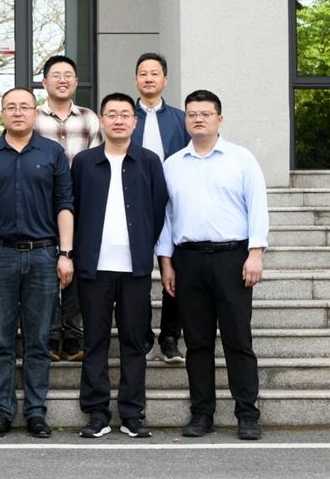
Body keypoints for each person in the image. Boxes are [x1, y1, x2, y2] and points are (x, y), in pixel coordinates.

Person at [157, 90, 268, 441]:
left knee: (238, 340)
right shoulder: (173, 164)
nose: (198, 119)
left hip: (232, 259)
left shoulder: (241, 159)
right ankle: (201, 413)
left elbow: (257, 206)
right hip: (188, 260)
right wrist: (166, 263)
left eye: (205, 113)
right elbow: (166, 218)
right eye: (192, 114)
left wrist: (255, 253)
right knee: (198, 343)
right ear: (185, 120)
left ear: (219, 119)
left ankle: (247, 414)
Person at [0, 87, 74, 439]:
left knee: (38, 340)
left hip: (43, 255)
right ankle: (1, 412)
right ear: (2, 113)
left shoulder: (52, 152)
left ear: (35, 113)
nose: (18, 112)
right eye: (11, 107)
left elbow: (64, 203)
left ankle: (35, 412)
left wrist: (65, 253)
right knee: (0, 340)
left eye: (24, 107)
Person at [71, 93, 168, 439]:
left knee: (134, 342)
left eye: (125, 114)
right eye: (111, 114)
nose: (118, 120)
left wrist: (145, 245)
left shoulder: (149, 161)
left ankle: (132, 414)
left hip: (135, 268)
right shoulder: (84, 162)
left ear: (134, 121)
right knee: (95, 341)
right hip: (93, 267)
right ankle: (97, 413)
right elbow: (74, 207)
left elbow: (158, 210)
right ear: (101, 121)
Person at [33, 55, 101, 362]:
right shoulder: (33, 117)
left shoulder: (89, 118)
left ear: (76, 82)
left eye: (68, 75)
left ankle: (73, 334)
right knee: (47, 270)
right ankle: (50, 333)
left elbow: (98, 162)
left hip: (81, 204)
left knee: (76, 267)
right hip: (41, 205)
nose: (62, 80)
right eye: (56, 75)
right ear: (44, 82)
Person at [132, 52, 190, 364]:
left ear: (165, 80)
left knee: (175, 270)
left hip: (175, 204)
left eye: (155, 73)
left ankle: (170, 337)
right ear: (136, 80)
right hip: (134, 204)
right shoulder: (125, 116)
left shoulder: (180, 119)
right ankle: (142, 335)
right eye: (143, 73)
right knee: (137, 272)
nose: (149, 78)